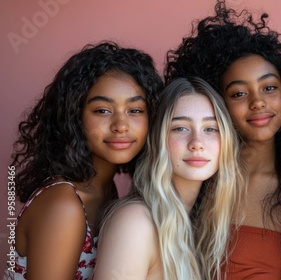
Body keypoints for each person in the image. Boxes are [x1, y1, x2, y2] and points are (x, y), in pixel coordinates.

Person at [165, 1, 281, 279]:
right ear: (218, 103)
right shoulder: (197, 183)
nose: (258, 102)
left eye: (269, 87)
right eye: (239, 93)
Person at [5, 42, 163, 279]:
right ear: (74, 117)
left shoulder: (105, 189)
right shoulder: (64, 206)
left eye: (135, 110)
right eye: (102, 110)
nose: (121, 125)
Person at [93, 77, 244, 280]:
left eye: (210, 129)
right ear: (157, 140)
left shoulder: (197, 224)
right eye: (180, 128)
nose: (197, 143)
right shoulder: (135, 222)